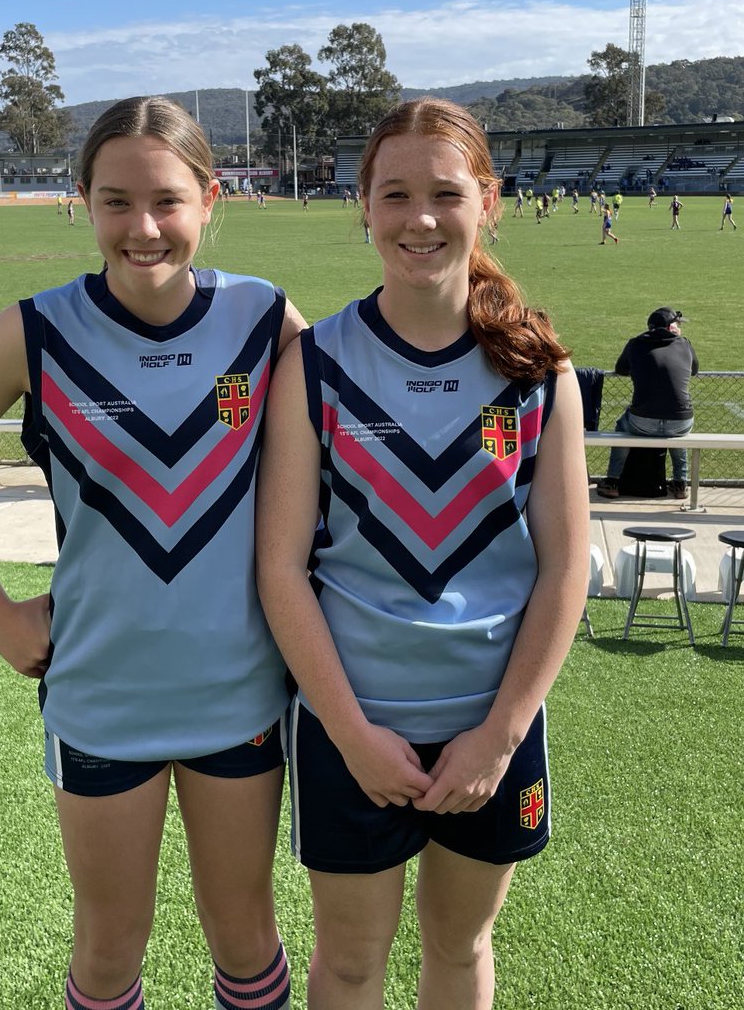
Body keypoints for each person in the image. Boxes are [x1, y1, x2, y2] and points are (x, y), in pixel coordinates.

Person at [0, 97, 304, 1010]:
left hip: (237, 688)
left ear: (211, 198)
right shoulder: (34, 332)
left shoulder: (263, 318)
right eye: (116, 201)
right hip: (99, 692)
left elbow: (356, 424)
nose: (144, 228)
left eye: (167, 201)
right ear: (80, 198)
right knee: (109, 945)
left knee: (245, 936)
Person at [256, 97, 589, 1010]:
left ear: (488, 199)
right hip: (351, 728)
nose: (420, 218)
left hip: (493, 734)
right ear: (362, 203)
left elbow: (566, 569)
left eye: (446, 193)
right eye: (394, 193)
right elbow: (280, 567)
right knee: (352, 964)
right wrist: (353, 734)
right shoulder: (314, 363)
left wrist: (500, 735)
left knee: (462, 948)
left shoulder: (538, 369)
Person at [597, 307, 698, 500]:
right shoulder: (684, 344)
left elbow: (621, 369)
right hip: (681, 421)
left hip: (642, 421)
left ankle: (612, 481)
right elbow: (694, 370)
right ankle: (680, 483)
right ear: (670, 327)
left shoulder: (635, 344)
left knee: (621, 426)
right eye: (677, 324)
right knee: (678, 432)